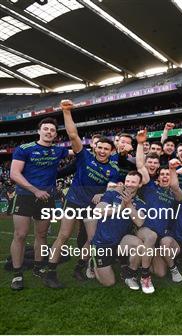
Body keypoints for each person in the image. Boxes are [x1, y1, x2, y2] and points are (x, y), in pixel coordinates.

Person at [44, 100, 120, 289]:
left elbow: (112, 189)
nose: (102, 151)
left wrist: (102, 194)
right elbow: (72, 134)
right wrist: (66, 112)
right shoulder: (84, 156)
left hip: (92, 207)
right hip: (73, 201)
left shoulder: (114, 169)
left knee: (91, 239)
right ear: (94, 148)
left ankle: (80, 267)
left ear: (111, 152)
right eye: (99, 147)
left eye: (106, 149)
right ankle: (50, 272)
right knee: (63, 235)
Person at [9, 117, 69, 290]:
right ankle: (17, 274)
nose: (49, 132)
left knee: (41, 235)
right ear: (39, 131)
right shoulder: (24, 149)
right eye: (46, 129)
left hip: (47, 198)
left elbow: (78, 152)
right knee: (20, 235)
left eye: (52, 130)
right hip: (25, 196)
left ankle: (38, 267)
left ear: (56, 134)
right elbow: (14, 173)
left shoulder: (59, 151)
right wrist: (35, 190)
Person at [135, 129, 182, 293]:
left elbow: (176, 186)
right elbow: (141, 165)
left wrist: (172, 169)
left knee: (162, 273)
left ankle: (173, 267)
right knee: (151, 237)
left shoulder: (173, 193)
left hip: (164, 237)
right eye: (161, 174)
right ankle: (144, 275)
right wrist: (141, 144)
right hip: (146, 231)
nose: (164, 177)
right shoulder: (150, 187)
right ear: (157, 177)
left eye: (167, 175)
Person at [90, 171, 146, 289]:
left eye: (133, 182)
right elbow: (97, 211)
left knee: (140, 246)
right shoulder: (112, 194)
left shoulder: (140, 202)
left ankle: (129, 275)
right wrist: (120, 208)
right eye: (128, 181)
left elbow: (140, 222)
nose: (130, 184)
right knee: (109, 283)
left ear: (140, 184)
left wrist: (129, 205)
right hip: (103, 243)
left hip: (121, 242)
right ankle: (93, 263)